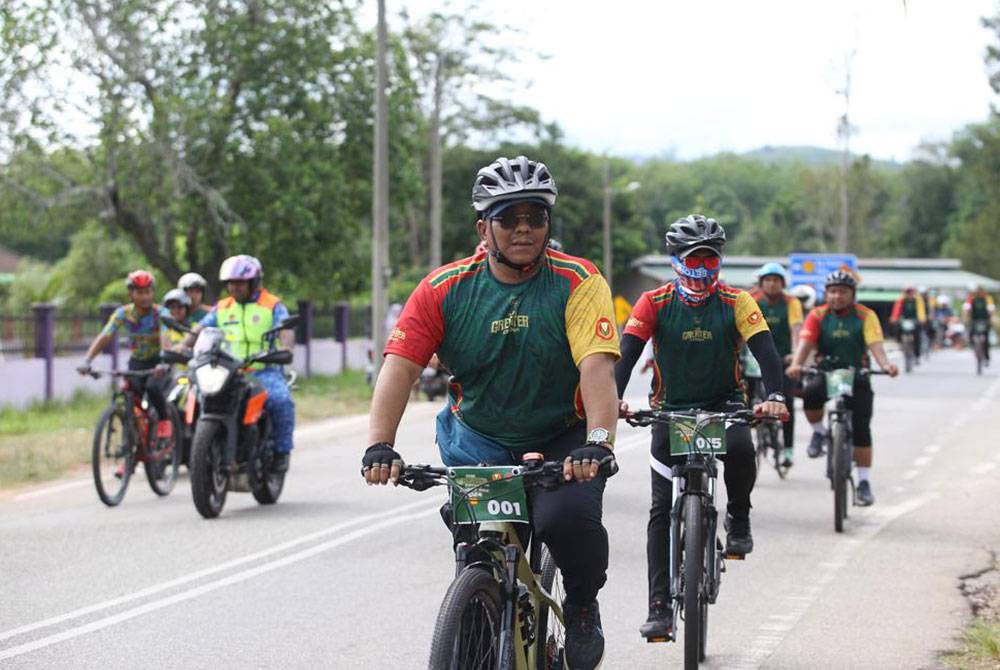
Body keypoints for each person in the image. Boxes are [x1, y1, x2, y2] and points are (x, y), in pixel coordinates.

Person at [361, 155, 620, 670]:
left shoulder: (578, 281)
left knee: (567, 521)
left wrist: (599, 440)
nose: (524, 228)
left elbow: (596, 368)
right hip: (477, 436)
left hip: (562, 434)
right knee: (476, 539)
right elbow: (400, 367)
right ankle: (476, 620)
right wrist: (379, 443)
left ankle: (583, 605)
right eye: (508, 218)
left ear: (549, 224)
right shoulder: (443, 289)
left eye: (535, 217)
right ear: (484, 228)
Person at [614, 215, 788, 639]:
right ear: (676, 262)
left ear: (719, 263)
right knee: (659, 509)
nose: (701, 268)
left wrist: (776, 397)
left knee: (743, 449)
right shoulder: (653, 302)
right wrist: (613, 400)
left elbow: (766, 352)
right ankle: (658, 605)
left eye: (710, 259)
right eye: (693, 259)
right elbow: (627, 353)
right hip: (670, 409)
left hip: (723, 404)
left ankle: (740, 519)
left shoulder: (737, 302)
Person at [787, 270, 898, 507]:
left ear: (853, 294)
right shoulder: (817, 315)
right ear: (826, 294)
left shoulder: (865, 315)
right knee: (810, 395)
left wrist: (886, 365)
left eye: (843, 292)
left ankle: (864, 483)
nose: (837, 296)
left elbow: (875, 344)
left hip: (857, 376)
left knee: (861, 429)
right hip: (826, 372)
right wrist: (797, 364)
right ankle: (818, 432)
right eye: (833, 291)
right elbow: (806, 343)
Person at [192, 255, 296, 473]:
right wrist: (182, 346)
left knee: (281, 400)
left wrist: (285, 348)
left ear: (254, 282)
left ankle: (281, 452)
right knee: (197, 396)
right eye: (231, 283)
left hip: (263, 370)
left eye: (239, 283)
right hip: (227, 370)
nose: (234, 287)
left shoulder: (272, 305)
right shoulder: (222, 307)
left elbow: (286, 330)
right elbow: (200, 329)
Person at [77, 270, 173, 443]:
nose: (144, 297)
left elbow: (166, 339)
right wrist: (87, 360)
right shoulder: (123, 314)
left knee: (152, 388)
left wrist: (165, 362)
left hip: (159, 361)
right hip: (137, 362)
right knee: (129, 395)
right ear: (131, 294)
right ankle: (132, 445)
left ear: (153, 293)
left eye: (147, 292)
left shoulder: (161, 313)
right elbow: (105, 336)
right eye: (139, 292)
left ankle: (164, 419)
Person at [749, 262, 803, 466]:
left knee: (785, 400)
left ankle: (788, 448)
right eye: (768, 280)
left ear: (783, 283)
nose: (772, 284)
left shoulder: (791, 302)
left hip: (782, 358)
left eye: (776, 280)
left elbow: (796, 330)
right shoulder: (752, 299)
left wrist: (795, 355)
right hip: (753, 359)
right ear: (762, 282)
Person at [889, 286, 927, 362]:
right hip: (904, 320)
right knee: (897, 329)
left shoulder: (918, 300)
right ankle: (899, 342)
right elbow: (896, 310)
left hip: (915, 321)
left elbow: (921, 311)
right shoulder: (901, 300)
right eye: (908, 292)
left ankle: (917, 354)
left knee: (917, 336)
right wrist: (894, 318)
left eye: (911, 292)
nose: (909, 294)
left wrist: (922, 319)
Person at [963, 284, 995, 364]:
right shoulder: (971, 298)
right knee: (971, 335)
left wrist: (991, 318)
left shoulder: (987, 298)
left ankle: (986, 357)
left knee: (986, 339)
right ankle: (974, 348)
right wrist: (966, 318)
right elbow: (967, 309)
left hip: (985, 321)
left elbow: (991, 309)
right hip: (975, 321)